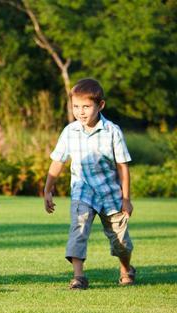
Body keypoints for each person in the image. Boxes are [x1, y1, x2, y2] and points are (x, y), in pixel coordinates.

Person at [44, 78, 135, 290]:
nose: (81, 112)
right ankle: (79, 277)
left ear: (100, 105)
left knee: (120, 242)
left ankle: (126, 269)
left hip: (110, 194)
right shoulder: (70, 131)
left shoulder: (112, 131)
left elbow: (123, 167)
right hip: (82, 192)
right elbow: (58, 162)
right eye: (76, 106)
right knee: (78, 230)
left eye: (86, 106)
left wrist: (126, 198)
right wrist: (48, 190)